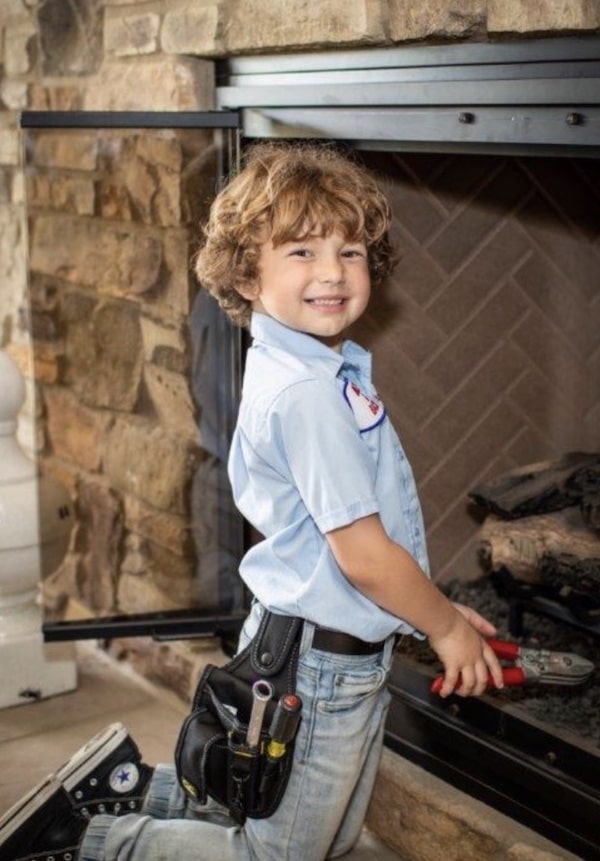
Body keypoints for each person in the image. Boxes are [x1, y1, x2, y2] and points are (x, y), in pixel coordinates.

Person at [0, 141, 503, 861]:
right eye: (301, 250)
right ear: (247, 270)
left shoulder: (316, 367)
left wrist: (431, 615)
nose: (332, 271)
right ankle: (95, 840)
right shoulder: (308, 395)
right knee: (279, 852)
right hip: (321, 666)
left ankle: (123, 783)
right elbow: (363, 558)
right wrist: (447, 628)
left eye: (352, 251)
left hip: (314, 643)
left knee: (296, 815)